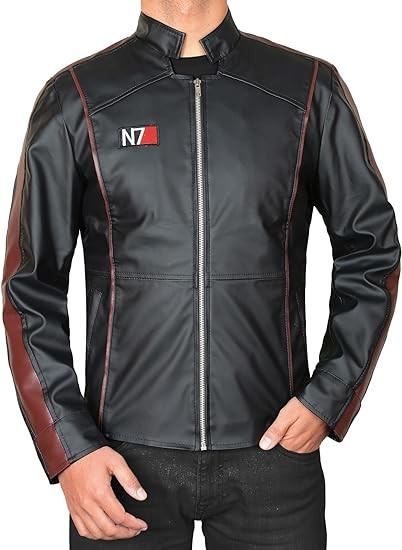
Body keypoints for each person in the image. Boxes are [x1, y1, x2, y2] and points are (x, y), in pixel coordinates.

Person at [2, 1, 400, 548]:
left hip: (275, 453)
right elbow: (30, 287)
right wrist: (70, 448)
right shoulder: (78, 98)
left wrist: (329, 395)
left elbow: (371, 251)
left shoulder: (307, 90)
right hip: (118, 459)